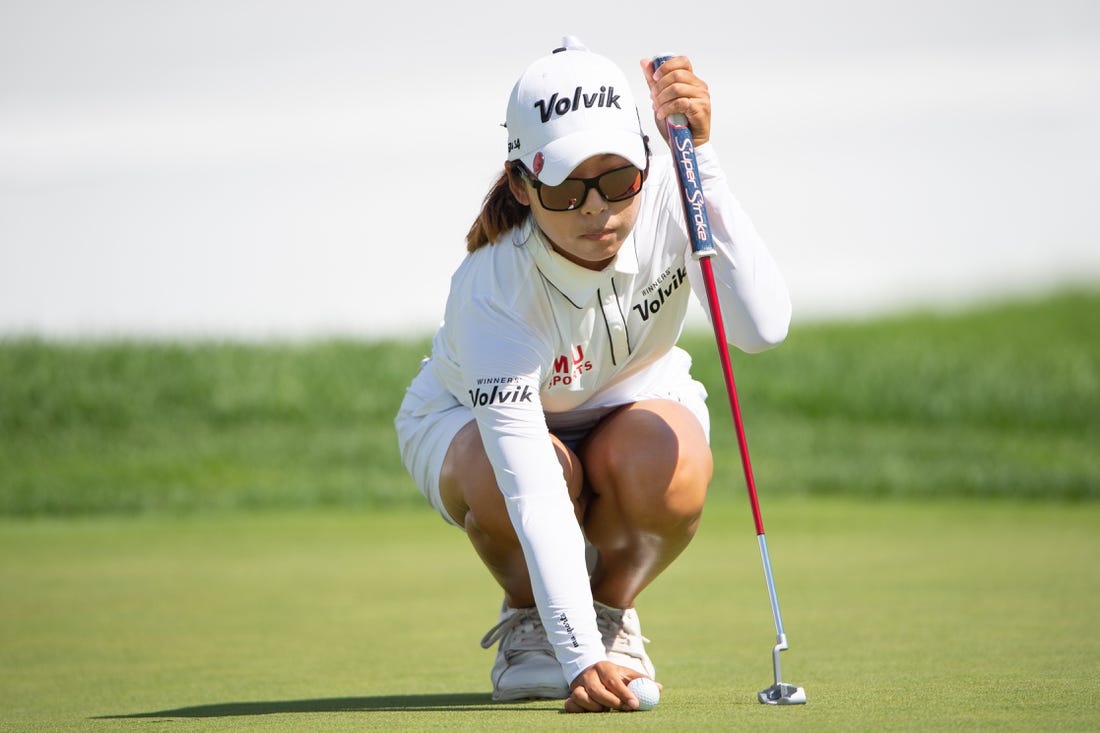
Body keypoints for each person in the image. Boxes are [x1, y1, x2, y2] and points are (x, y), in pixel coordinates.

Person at [395, 36, 791, 714]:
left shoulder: (672, 191)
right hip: (477, 430)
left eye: (615, 179)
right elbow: (533, 486)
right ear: (522, 184)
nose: (595, 208)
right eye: (565, 185)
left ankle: (611, 611)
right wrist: (580, 659)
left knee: (671, 462)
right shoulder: (491, 287)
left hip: (635, 399)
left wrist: (703, 161)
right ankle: (533, 625)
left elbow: (760, 327)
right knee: (510, 473)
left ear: (643, 157)